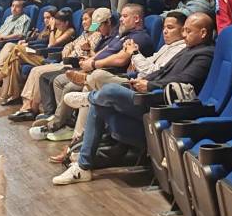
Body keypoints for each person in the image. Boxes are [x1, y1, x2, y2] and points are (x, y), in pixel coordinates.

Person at [52, 12, 215, 185]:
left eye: (188, 31)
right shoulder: (188, 49)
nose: (184, 34)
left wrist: (151, 86)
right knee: (100, 105)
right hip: (150, 94)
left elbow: (185, 80)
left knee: (109, 91)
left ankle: (91, 97)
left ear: (203, 33)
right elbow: (161, 72)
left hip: (162, 105)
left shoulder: (204, 54)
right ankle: (83, 167)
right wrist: (144, 81)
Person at [29, 5, 154, 138]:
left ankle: (58, 124)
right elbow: (104, 50)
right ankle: (64, 119)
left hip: (108, 72)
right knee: (55, 79)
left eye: (125, 16)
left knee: (67, 84)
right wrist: (90, 58)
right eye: (83, 20)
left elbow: (120, 59)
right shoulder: (118, 34)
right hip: (89, 66)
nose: (121, 20)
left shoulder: (135, 36)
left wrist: (93, 62)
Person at [8, 8, 101, 120]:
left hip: (74, 64)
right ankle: (27, 107)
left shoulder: (96, 35)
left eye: (86, 19)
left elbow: (91, 53)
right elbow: (71, 44)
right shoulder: (84, 34)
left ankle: (32, 109)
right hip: (65, 60)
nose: (83, 22)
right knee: (35, 70)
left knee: (38, 72)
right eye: (82, 19)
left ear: (94, 21)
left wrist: (87, 48)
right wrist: (67, 48)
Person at [0, 9, 76, 103]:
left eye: (58, 24)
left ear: (66, 23)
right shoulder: (56, 29)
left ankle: (1, 75)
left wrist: (53, 28)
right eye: (56, 24)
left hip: (48, 58)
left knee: (16, 49)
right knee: (15, 60)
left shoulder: (70, 31)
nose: (56, 25)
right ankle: (15, 95)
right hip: (41, 54)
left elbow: (51, 45)